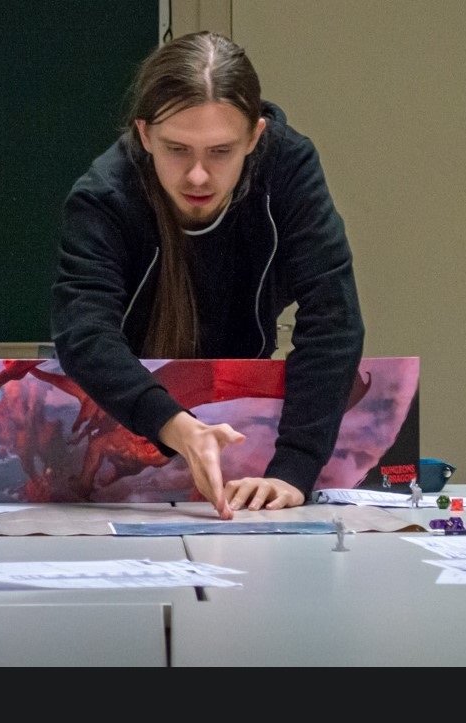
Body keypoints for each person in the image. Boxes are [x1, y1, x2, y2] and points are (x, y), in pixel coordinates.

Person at [51, 31, 364, 519]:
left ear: (255, 137)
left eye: (221, 151)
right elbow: (84, 332)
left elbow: (332, 318)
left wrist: (294, 469)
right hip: (126, 410)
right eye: (177, 149)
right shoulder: (104, 196)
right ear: (144, 135)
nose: (198, 175)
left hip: (243, 414)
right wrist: (176, 426)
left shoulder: (288, 166)